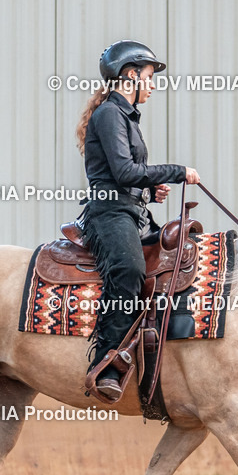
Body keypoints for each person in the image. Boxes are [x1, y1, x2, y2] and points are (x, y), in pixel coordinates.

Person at [74, 40, 200, 402]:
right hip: (109, 213)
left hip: (130, 210)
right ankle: (107, 363)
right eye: (149, 76)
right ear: (131, 76)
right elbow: (126, 171)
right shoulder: (110, 115)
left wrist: (150, 192)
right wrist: (177, 172)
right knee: (129, 270)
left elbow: (130, 177)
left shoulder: (124, 116)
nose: (154, 84)